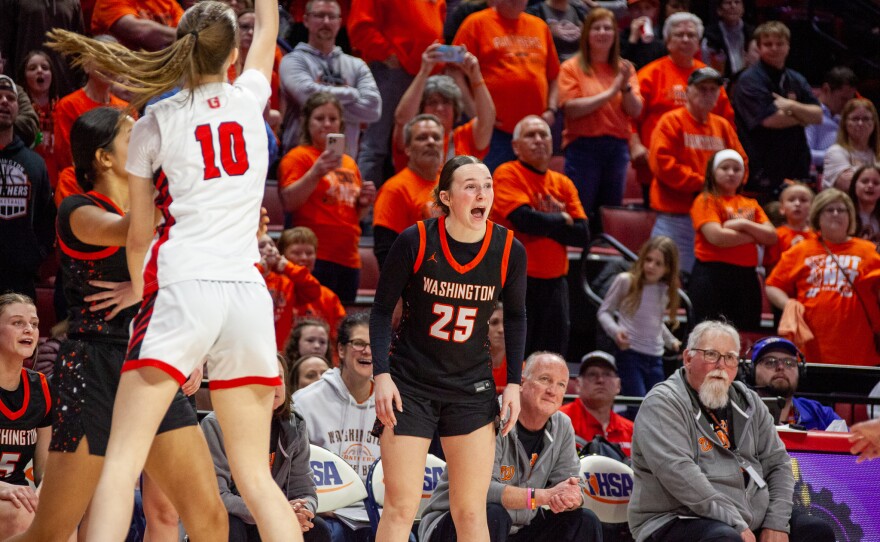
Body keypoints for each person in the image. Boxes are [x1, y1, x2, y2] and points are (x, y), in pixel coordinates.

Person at [46, 1, 304, 540]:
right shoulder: (251, 98)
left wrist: (142, 292)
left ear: (180, 48)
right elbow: (270, 28)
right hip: (247, 294)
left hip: (184, 286)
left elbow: (139, 235)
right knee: (256, 477)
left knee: (121, 462)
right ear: (233, 54)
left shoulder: (154, 123)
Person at [10, 107, 226, 542]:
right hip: (93, 368)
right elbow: (134, 232)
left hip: (151, 365)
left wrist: (142, 288)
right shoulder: (76, 209)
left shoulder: (153, 213)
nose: (146, 137)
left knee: (210, 520)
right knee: (51, 532)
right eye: (132, 132)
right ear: (105, 158)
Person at [370, 155, 527, 541]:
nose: (482, 193)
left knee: (471, 511)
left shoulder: (508, 249)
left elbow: (518, 317)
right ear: (447, 196)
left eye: (487, 185)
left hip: (471, 389)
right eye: (470, 185)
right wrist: (381, 375)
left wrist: (514, 384)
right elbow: (379, 311)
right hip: (411, 384)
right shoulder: (416, 240)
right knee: (402, 506)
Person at [629, 320, 836, 542]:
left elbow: (778, 464)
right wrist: (735, 522)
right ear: (688, 358)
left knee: (816, 530)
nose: (721, 365)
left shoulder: (750, 401)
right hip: (677, 516)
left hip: (749, 513)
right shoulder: (663, 403)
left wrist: (776, 522)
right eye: (711, 355)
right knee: (724, 538)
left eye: (729, 358)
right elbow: (680, 475)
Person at [419, 352, 603, 542]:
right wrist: (541, 496)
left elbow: (573, 484)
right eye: (545, 379)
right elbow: (481, 491)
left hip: (518, 529)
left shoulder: (562, 426)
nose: (552, 390)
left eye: (561, 384)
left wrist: (572, 497)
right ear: (521, 383)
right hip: (455, 523)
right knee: (493, 513)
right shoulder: (488, 417)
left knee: (584, 521)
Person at [202, 355, 333, 541]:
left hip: (272, 517)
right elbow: (217, 496)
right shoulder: (217, 425)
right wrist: (275, 512)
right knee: (231, 525)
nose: (275, 384)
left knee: (316, 528)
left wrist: (302, 511)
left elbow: (305, 492)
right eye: (266, 377)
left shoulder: (294, 425)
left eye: (279, 377)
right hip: (235, 517)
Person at [492, 115, 588, 357]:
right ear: (515, 146)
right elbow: (524, 220)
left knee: (551, 358)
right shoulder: (507, 173)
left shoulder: (562, 182)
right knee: (515, 357)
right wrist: (561, 219)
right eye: (530, 135)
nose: (538, 140)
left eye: (543, 134)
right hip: (514, 281)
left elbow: (581, 234)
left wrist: (541, 223)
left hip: (555, 283)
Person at [277, 91, 376, 304]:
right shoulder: (298, 157)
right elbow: (289, 202)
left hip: (348, 257)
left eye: (333, 119)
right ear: (307, 123)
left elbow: (354, 214)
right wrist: (316, 172)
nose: (326, 124)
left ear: (340, 124)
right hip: (314, 256)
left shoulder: (349, 162)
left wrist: (365, 203)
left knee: (340, 324)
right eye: (320, 118)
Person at [630, 12, 736, 207]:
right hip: (658, 168)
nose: (685, 39)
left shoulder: (710, 78)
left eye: (691, 35)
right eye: (679, 35)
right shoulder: (649, 75)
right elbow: (629, 117)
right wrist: (635, 146)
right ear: (668, 41)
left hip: (704, 174)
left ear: (699, 42)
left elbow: (727, 122)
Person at [647, 66, 745, 275]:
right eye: (702, 89)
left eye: (713, 89)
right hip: (677, 217)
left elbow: (741, 163)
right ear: (687, 91)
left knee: (708, 284)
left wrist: (728, 186)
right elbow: (663, 165)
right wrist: (705, 184)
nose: (707, 94)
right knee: (665, 280)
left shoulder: (723, 126)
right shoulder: (671, 122)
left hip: (716, 220)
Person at [766, 189, 880, 367]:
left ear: (850, 216)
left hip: (859, 351)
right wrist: (788, 304)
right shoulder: (801, 250)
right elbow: (773, 285)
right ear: (817, 216)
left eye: (841, 210)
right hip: (812, 350)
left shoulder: (868, 251)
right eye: (830, 210)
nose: (836, 214)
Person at [292, 312, 377, 542]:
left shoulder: (390, 403)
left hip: (377, 514)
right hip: (326, 514)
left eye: (373, 344)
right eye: (358, 343)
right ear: (341, 350)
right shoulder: (304, 402)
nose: (367, 351)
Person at [452, 0, 561, 172]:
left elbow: (554, 75)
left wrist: (552, 109)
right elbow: (453, 71)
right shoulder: (475, 23)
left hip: (533, 134)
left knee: (530, 192)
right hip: (493, 134)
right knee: (486, 189)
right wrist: (477, 115)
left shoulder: (539, 26)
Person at [558, 8, 643, 226]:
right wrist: (612, 90)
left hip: (617, 148)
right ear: (587, 33)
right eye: (597, 28)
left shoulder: (625, 68)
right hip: (583, 147)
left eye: (608, 28)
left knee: (609, 213)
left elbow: (635, 110)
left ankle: (606, 257)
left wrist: (624, 89)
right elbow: (571, 109)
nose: (603, 32)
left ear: (615, 34)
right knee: (581, 213)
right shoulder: (571, 67)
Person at [348, 0, 445, 186]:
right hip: (392, 71)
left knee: (419, 144)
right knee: (375, 144)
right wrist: (387, 54)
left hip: (425, 74)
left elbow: (434, 29)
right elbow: (360, 26)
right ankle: (364, 211)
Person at [732, 21, 822, 198]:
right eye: (768, 44)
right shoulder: (749, 80)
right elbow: (770, 120)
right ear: (758, 47)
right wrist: (803, 117)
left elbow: (818, 115)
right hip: (763, 169)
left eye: (780, 43)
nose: (774, 48)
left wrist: (791, 106)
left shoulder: (796, 78)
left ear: (788, 46)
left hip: (795, 166)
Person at [689, 149, 777, 331]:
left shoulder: (751, 204)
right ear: (713, 172)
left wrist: (742, 224)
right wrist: (754, 236)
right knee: (708, 334)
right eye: (725, 168)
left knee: (745, 334)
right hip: (712, 275)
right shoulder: (706, 200)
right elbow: (717, 237)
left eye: (737, 169)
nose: (731, 173)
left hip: (746, 277)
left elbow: (771, 237)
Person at [279, 0, 381, 157]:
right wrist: (351, 94)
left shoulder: (356, 65)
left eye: (331, 16)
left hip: (345, 162)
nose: (326, 22)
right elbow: (305, 96)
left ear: (340, 22)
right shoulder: (293, 61)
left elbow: (373, 108)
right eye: (319, 15)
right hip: (301, 160)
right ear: (306, 20)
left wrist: (319, 98)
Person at [597, 236, 681, 400]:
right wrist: (616, 332)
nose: (651, 266)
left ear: (668, 269)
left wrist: (671, 341)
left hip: (655, 356)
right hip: (630, 353)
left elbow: (656, 322)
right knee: (637, 406)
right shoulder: (626, 281)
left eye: (658, 263)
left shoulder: (664, 289)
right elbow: (604, 312)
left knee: (656, 406)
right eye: (648, 260)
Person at [391, 46, 494, 173]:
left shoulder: (463, 137)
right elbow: (402, 120)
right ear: (421, 109)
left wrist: (475, 76)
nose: (439, 108)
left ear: (456, 110)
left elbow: (487, 122)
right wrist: (424, 71)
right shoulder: (414, 137)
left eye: (446, 102)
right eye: (432, 102)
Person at [0, 74, 55, 303]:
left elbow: (47, 217)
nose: (4, 101)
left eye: (10, 98)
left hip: (20, 278)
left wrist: (36, 254)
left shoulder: (34, 163)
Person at [0, 294, 51, 540]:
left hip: (21, 495)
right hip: (8, 498)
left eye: (34, 323)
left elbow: (45, 468)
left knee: (62, 517)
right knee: (21, 515)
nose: (29, 329)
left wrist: (44, 497)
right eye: (17, 322)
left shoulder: (41, 388)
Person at [374, 114, 446, 268]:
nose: (431, 142)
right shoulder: (394, 189)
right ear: (407, 148)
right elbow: (386, 250)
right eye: (422, 138)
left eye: (436, 137)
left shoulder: (451, 185)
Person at [52, 35, 129, 174]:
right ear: (86, 65)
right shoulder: (68, 106)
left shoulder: (127, 111)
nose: (109, 63)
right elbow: (66, 158)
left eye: (114, 58)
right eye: (102, 56)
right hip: (79, 184)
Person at [746, 336, 843, 430]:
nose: (781, 367)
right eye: (770, 362)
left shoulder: (821, 415)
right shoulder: (739, 412)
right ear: (751, 372)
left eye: (789, 363)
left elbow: (852, 441)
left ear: (800, 371)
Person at [276, 227, 347, 342]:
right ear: (282, 256)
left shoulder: (328, 297)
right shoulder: (275, 290)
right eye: (296, 253)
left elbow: (340, 338)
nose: (304, 258)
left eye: (309, 253)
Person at [559, 350, 635, 456]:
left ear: (618, 385)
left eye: (607, 374)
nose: (600, 380)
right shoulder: (558, 421)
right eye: (592, 374)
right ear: (578, 384)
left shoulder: (632, 431)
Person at [257, 233, 323, 351]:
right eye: (262, 246)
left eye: (272, 244)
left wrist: (289, 267)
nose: (270, 248)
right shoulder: (246, 281)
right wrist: (258, 269)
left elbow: (313, 290)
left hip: (282, 351)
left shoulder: (285, 282)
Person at [16, 50, 59, 189]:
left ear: (52, 75)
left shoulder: (63, 107)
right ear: (24, 76)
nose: (40, 71)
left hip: (57, 181)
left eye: (45, 68)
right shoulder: (18, 111)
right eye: (32, 68)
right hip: (25, 178)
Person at [805, 66, 858, 172]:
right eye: (843, 99)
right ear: (826, 89)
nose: (847, 105)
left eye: (850, 100)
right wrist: (838, 156)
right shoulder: (810, 114)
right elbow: (805, 154)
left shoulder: (850, 116)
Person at [822, 98, 880, 191]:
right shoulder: (835, 152)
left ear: (874, 123)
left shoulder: (877, 153)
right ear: (845, 123)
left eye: (866, 119)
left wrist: (855, 172)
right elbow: (849, 185)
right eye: (855, 119)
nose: (860, 123)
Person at [90, 0, 184, 51]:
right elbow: (139, 30)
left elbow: (188, 27)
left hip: (160, 70)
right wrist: (183, 35)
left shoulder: (169, 3)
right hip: (119, 73)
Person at [763, 182, 816, 269]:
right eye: (791, 200)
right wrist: (791, 252)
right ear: (782, 208)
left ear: (813, 207)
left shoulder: (819, 235)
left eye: (803, 200)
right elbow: (771, 268)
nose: (797, 204)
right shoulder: (776, 235)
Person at [701, 0, 753, 79]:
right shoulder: (709, 35)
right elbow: (706, 65)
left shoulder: (752, 33)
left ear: (743, 9)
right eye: (728, 3)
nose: (733, 6)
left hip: (748, 81)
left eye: (737, 2)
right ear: (719, 11)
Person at [620, 0, 666, 70]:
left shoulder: (660, 44)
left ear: (654, 11)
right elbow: (620, 67)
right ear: (629, 11)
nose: (642, 12)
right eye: (637, 8)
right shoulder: (620, 38)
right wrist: (632, 40)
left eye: (647, 8)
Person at [848, 165, 880, 246]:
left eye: (876, 183)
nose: (870, 186)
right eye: (864, 181)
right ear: (854, 185)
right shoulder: (845, 214)